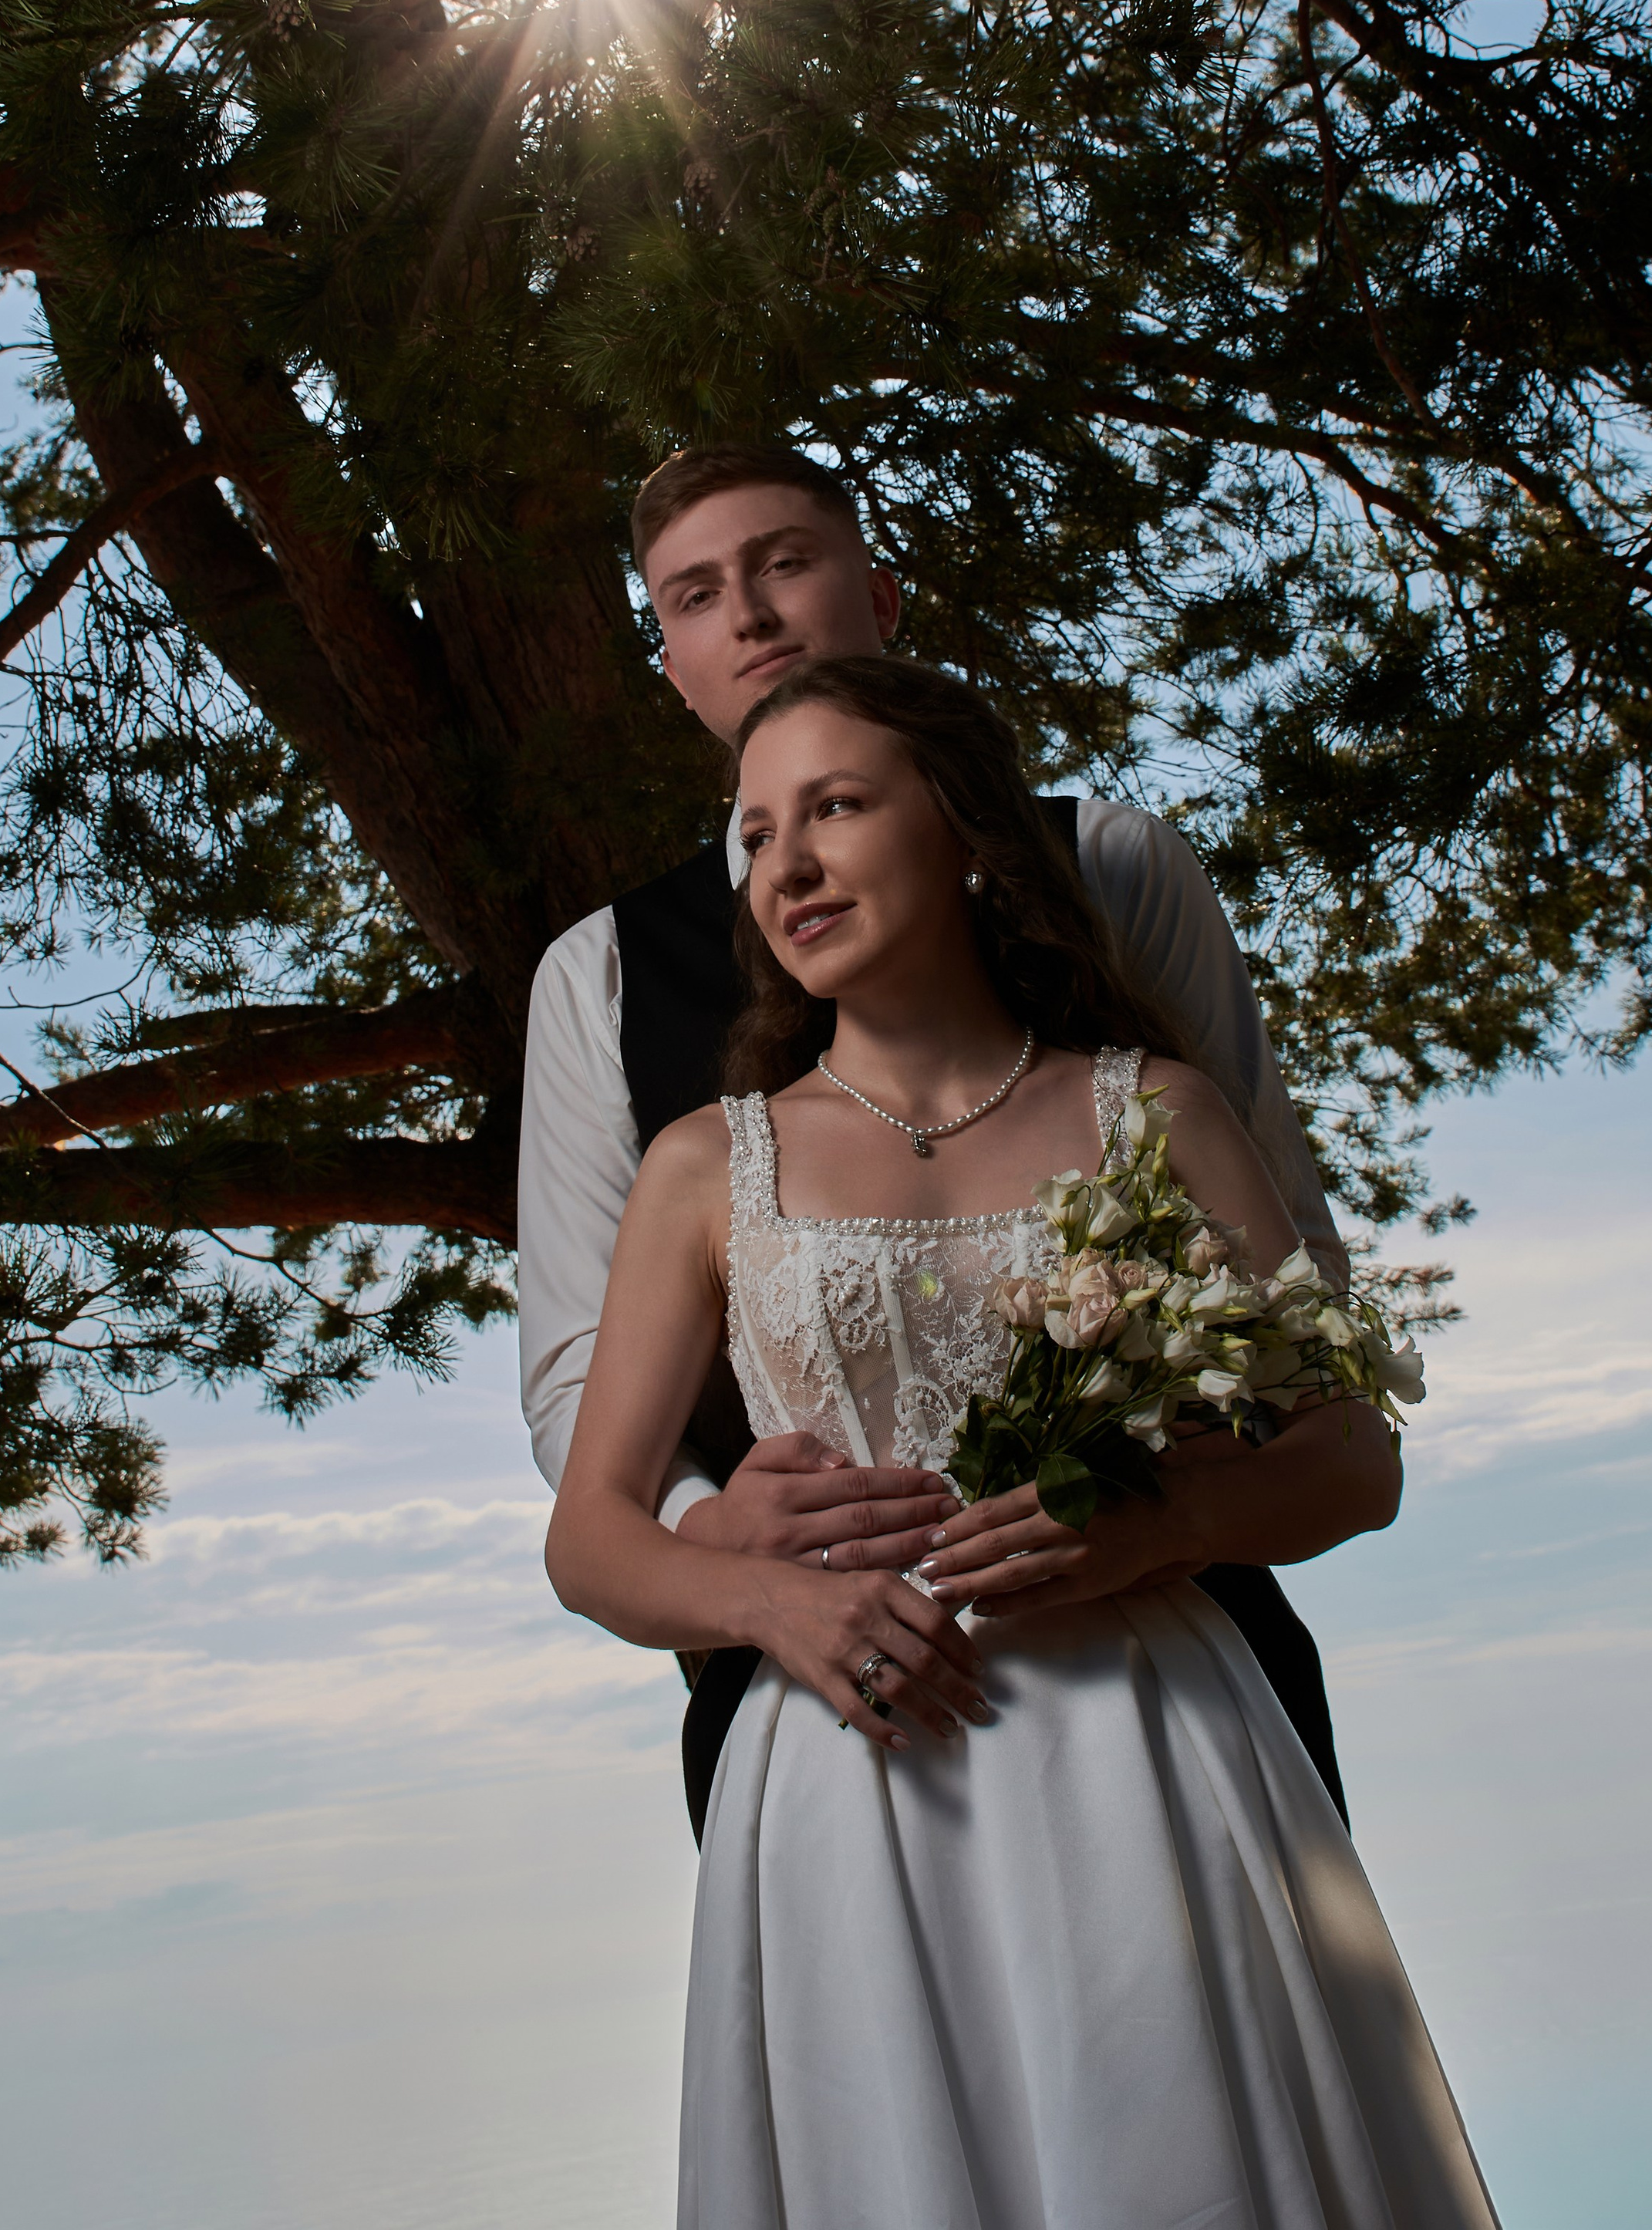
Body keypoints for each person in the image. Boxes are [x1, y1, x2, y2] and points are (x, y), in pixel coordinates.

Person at [547, 657, 1499, 2229]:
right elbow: (592, 1536)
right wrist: (775, 1608)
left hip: (1146, 1742)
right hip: (855, 1773)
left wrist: (1154, 1527)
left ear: (967, 831)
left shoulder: (1158, 1113)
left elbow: (1351, 1463)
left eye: (836, 807)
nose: (784, 862)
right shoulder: (707, 1166)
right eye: (754, 831)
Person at [519, 442, 1350, 1834]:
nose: (753, 615)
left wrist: (1173, 1512)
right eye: (696, 596)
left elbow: (1287, 1274)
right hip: (825, 1693)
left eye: (786, 562)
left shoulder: (1119, 870)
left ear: (883, 595)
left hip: (1175, 1655)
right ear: (669, 659)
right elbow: (571, 1383)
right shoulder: (599, 980)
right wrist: (711, 1531)